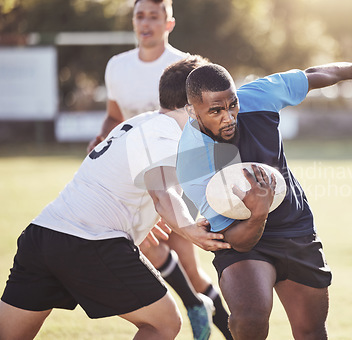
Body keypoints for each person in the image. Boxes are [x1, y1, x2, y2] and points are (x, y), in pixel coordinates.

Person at [175, 51, 352, 339]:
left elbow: (312, 76)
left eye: (232, 105)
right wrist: (258, 214)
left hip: (294, 226)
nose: (229, 116)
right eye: (215, 111)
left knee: (311, 332)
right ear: (193, 111)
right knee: (249, 319)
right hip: (244, 240)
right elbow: (236, 240)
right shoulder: (192, 160)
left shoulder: (259, 95)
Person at [0, 55, 231, 340]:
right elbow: (163, 192)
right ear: (191, 105)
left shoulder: (142, 123)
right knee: (165, 324)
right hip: (90, 241)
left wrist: (148, 216)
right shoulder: (167, 132)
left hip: (43, 236)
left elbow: (132, 185)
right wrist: (189, 230)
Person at [87, 0, 233, 338]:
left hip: (179, 169)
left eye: (155, 16)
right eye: (140, 16)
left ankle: (218, 321)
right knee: (149, 247)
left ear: (169, 23)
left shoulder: (185, 68)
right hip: (137, 172)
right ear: (133, 21)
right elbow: (115, 116)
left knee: (188, 267)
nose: (146, 23)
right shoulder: (117, 66)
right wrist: (103, 136)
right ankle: (196, 306)